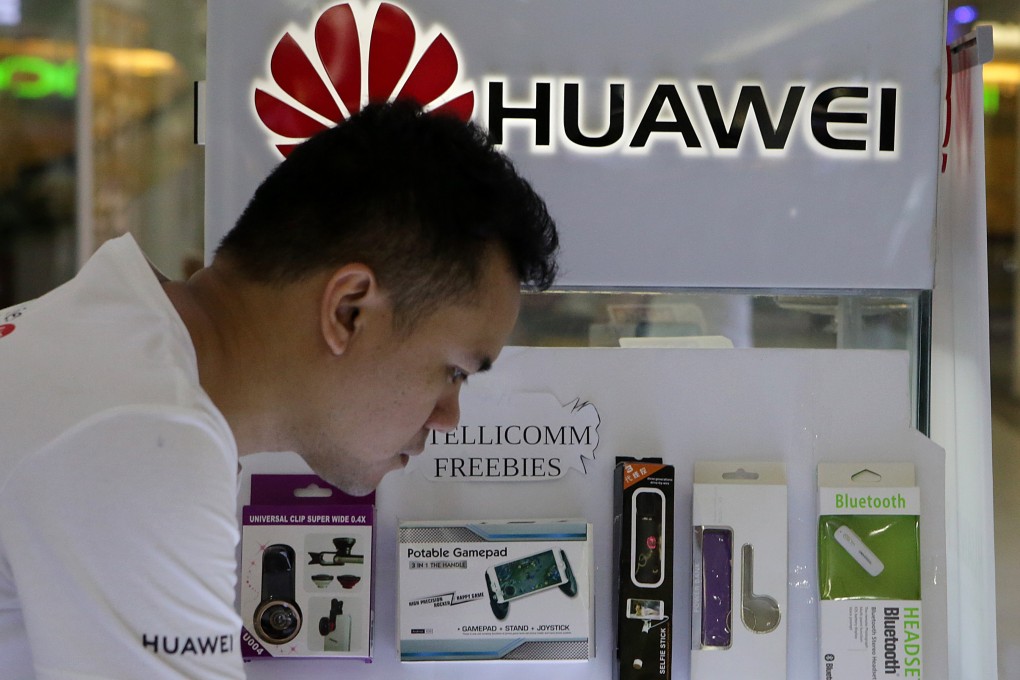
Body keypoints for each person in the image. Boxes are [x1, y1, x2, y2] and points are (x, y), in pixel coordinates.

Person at [0, 101, 559, 678]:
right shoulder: (140, 432)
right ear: (348, 311)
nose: (449, 417)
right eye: (455, 371)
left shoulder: (109, 344)